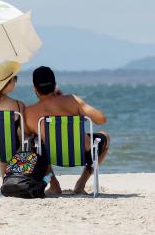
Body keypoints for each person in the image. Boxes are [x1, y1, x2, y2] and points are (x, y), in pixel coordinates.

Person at [24, 66, 110, 194]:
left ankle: (54, 184)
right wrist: (65, 100)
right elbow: (101, 119)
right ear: (55, 85)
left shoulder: (29, 111)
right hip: (82, 153)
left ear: (35, 88)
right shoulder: (72, 100)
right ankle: (81, 183)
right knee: (105, 136)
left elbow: (26, 134)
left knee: (36, 144)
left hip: (51, 155)